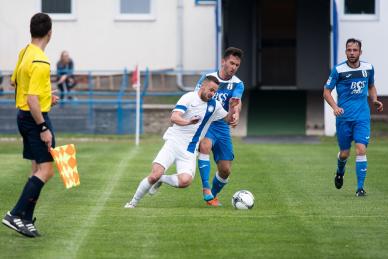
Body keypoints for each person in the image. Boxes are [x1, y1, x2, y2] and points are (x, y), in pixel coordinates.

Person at [124, 75, 238, 208]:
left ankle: (162, 179)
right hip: (173, 143)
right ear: (202, 86)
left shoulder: (214, 105)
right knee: (154, 175)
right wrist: (188, 122)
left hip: (189, 149)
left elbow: (228, 120)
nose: (212, 94)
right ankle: (133, 203)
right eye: (211, 90)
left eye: (215, 91)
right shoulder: (189, 97)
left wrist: (231, 108)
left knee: (185, 181)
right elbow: (174, 117)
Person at [2, 13, 59, 238]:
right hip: (36, 119)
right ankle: (15, 214)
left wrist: (46, 96)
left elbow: (15, 82)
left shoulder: (24, 52)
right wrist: (43, 128)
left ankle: (25, 219)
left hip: (24, 117)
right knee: (46, 170)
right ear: (50, 33)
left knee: (36, 169)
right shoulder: (41, 61)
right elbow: (32, 99)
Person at [323, 38, 383, 197]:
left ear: (360, 52)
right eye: (349, 50)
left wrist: (374, 99)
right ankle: (339, 171)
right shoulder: (338, 70)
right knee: (344, 153)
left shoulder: (368, 68)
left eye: (355, 50)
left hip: (362, 117)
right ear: (345, 52)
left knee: (361, 149)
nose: (352, 53)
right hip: (344, 118)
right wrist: (335, 107)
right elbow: (326, 91)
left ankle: (360, 188)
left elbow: (371, 85)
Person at [196, 47, 244, 206]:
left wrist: (236, 113)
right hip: (207, 121)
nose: (234, 67)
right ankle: (206, 189)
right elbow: (196, 98)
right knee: (205, 145)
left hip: (222, 126)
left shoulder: (238, 84)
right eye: (231, 63)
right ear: (223, 61)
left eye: (237, 65)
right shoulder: (207, 78)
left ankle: (212, 197)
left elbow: (236, 102)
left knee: (225, 170)